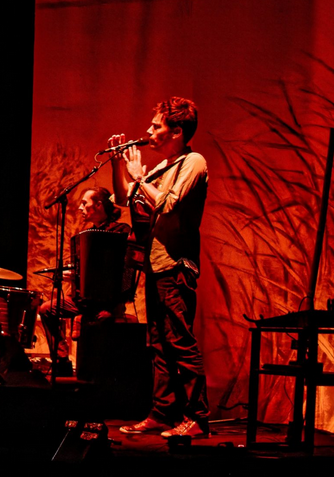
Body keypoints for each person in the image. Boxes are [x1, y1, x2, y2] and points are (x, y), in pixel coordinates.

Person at [109, 96, 210, 439]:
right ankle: (162, 412)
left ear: (176, 131)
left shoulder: (193, 162)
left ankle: (197, 418)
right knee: (157, 344)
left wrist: (139, 178)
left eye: (156, 126)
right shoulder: (161, 166)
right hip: (153, 266)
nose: (148, 131)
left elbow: (167, 204)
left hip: (175, 267)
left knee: (180, 342)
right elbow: (124, 199)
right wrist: (118, 165)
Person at [38, 186, 130, 377]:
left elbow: (124, 269)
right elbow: (85, 270)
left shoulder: (121, 231)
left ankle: (98, 375)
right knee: (47, 309)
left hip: (109, 302)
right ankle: (62, 360)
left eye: (84, 203)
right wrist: (74, 275)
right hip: (83, 300)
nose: (80, 208)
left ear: (97, 205)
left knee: (102, 321)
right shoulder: (87, 234)